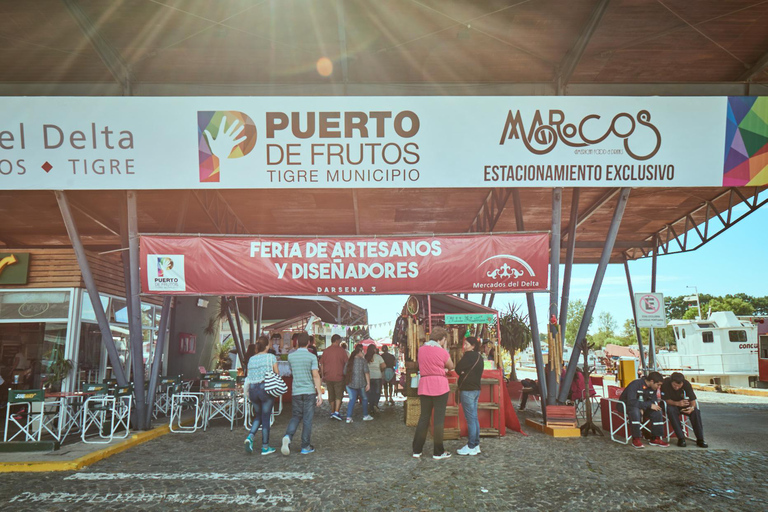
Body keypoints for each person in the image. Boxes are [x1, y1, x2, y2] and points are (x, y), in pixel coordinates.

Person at [412, 326, 454, 460]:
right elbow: (451, 366)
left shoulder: (421, 350)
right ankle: (438, 451)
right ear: (442, 339)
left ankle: (417, 450)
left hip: (425, 385)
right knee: (438, 420)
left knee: (424, 418)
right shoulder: (442, 352)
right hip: (440, 386)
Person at [281, 332, 323, 456]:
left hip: (296, 391)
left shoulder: (291, 357)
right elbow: (315, 375)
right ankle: (305, 446)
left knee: (295, 416)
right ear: (309, 343)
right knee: (307, 419)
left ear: (297, 342)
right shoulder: (312, 357)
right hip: (309, 391)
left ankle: (288, 436)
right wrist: (319, 393)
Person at [244, 336, 278, 455]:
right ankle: (265, 447)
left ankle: (250, 437)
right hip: (266, 389)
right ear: (267, 346)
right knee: (265, 418)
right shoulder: (271, 357)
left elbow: (249, 375)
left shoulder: (251, 359)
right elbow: (276, 373)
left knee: (258, 415)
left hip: (253, 389)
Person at [619, 371, 669, 449]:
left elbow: (653, 400)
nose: (658, 387)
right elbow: (631, 401)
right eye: (658, 385)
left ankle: (656, 438)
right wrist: (646, 406)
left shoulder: (653, 388)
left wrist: (645, 406)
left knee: (657, 411)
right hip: (627, 406)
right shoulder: (635, 384)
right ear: (652, 381)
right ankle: (636, 439)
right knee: (635, 411)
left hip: (643, 407)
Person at [661, 372, 708, 448]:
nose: (676, 388)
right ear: (671, 381)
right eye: (675, 385)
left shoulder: (686, 384)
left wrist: (692, 408)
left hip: (683, 404)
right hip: (670, 404)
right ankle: (681, 438)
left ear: (682, 383)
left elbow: (693, 399)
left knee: (695, 412)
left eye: (679, 386)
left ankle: (700, 439)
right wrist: (678, 403)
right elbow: (665, 399)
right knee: (671, 411)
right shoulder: (665, 383)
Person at [455, 336, 484, 456]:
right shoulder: (479, 357)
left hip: (467, 390)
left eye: (467, 344)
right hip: (476, 389)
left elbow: (458, 368)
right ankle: (476, 444)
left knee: (471, 418)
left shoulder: (468, 356)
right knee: (474, 417)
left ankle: (471, 445)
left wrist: (463, 373)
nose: (464, 346)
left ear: (473, 346)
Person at [319, 334, 348, 421]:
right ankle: (336, 411)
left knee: (331, 394)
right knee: (339, 394)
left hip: (328, 376)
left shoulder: (326, 351)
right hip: (339, 375)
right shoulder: (341, 351)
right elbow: (347, 363)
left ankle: (332, 411)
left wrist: (323, 375)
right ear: (337, 340)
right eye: (339, 340)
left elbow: (322, 364)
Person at [344, 345, 372, 423]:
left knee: (352, 399)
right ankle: (365, 415)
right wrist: (368, 384)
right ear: (359, 352)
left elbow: (344, 372)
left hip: (350, 384)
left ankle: (348, 417)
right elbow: (366, 372)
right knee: (364, 398)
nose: (363, 353)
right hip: (361, 383)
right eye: (362, 351)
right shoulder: (363, 361)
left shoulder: (349, 361)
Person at [366, 345, 386, 414]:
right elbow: (384, 366)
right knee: (377, 392)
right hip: (377, 376)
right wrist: (380, 370)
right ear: (374, 350)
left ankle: (371, 406)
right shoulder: (378, 357)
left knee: (370, 392)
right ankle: (375, 404)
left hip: (368, 377)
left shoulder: (365, 357)